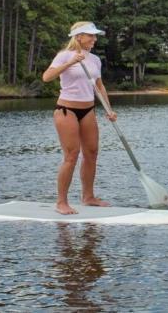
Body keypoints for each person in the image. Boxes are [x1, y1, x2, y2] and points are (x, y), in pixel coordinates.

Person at [42, 21, 118, 215]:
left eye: (94, 35)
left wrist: (109, 109)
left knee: (92, 153)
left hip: (88, 110)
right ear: (78, 37)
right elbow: (47, 77)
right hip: (67, 110)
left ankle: (88, 197)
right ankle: (61, 202)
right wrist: (70, 63)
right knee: (71, 156)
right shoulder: (64, 56)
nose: (94, 39)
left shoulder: (94, 60)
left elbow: (99, 87)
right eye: (90, 35)